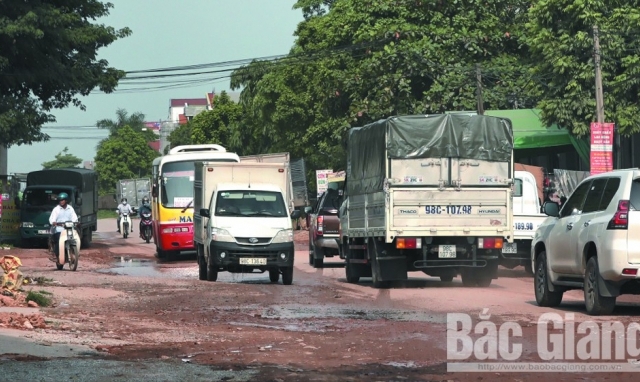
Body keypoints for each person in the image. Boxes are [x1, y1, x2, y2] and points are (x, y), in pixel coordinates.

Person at [48, 192, 78, 258]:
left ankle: (75, 252)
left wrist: (76, 222)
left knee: (75, 238)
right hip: (58, 230)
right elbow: (52, 219)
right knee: (59, 240)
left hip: (69, 229)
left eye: (62, 200)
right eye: (60, 200)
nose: (61, 202)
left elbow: (74, 218)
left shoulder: (70, 209)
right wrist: (54, 222)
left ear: (66, 200)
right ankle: (57, 255)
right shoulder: (56, 209)